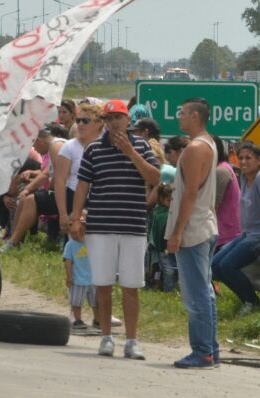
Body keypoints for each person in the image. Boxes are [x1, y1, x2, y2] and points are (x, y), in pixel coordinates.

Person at [68, 98, 159, 361]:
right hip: (100, 225)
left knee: (131, 286)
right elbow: (83, 186)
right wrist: (75, 219)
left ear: (127, 120)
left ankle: (132, 340)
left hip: (132, 225)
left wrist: (131, 152)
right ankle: (106, 336)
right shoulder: (94, 149)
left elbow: (154, 179)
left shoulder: (141, 145)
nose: (113, 123)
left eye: (118, 118)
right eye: (108, 119)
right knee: (103, 284)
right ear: (103, 123)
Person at [166, 98, 220, 369]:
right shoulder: (208, 144)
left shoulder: (195, 149)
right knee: (205, 291)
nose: (179, 117)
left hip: (194, 229)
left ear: (196, 117)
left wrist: (177, 232)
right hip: (204, 225)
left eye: (183, 113)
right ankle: (211, 350)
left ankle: (202, 352)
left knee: (196, 294)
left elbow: (190, 194)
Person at [212, 141, 260, 315]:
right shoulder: (244, 177)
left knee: (228, 265)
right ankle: (246, 296)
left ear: (259, 160)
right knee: (214, 265)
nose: (243, 161)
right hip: (246, 234)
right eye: (241, 157)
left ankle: (251, 301)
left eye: (248, 158)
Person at [63, 215, 96, 329]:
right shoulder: (70, 245)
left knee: (96, 301)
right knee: (76, 302)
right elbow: (68, 261)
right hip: (78, 279)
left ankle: (97, 319)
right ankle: (77, 319)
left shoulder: (90, 242)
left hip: (92, 278)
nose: (76, 233)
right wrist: (69, 277)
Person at [147, 184, 177, 291]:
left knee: (169, 269)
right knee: (165, 269)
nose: (171, 204)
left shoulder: (171, 212)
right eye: (169, 200)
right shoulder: (160, 212)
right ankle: (168, 289)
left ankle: (168, 288)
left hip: (168, 246)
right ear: (161, 199)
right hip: (161, 247)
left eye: (173, 201)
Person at [214, 139, 242, 251]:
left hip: (226, 234)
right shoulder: (222, 167)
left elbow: (213, 207)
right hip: (225, 232)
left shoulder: (221, 171)